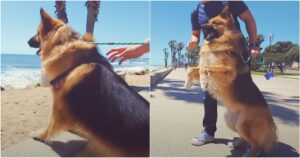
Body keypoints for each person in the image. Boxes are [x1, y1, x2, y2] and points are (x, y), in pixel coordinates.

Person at [188, 1, 260, 146]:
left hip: (236, 52)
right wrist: (193, 41)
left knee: (241, 93)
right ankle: (208, 131)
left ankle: (246, 134)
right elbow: (196, 34)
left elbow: (249, 20)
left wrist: (254, 44)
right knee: (209, 92)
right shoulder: (196, 11)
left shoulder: (230, 2)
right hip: (213, 53)